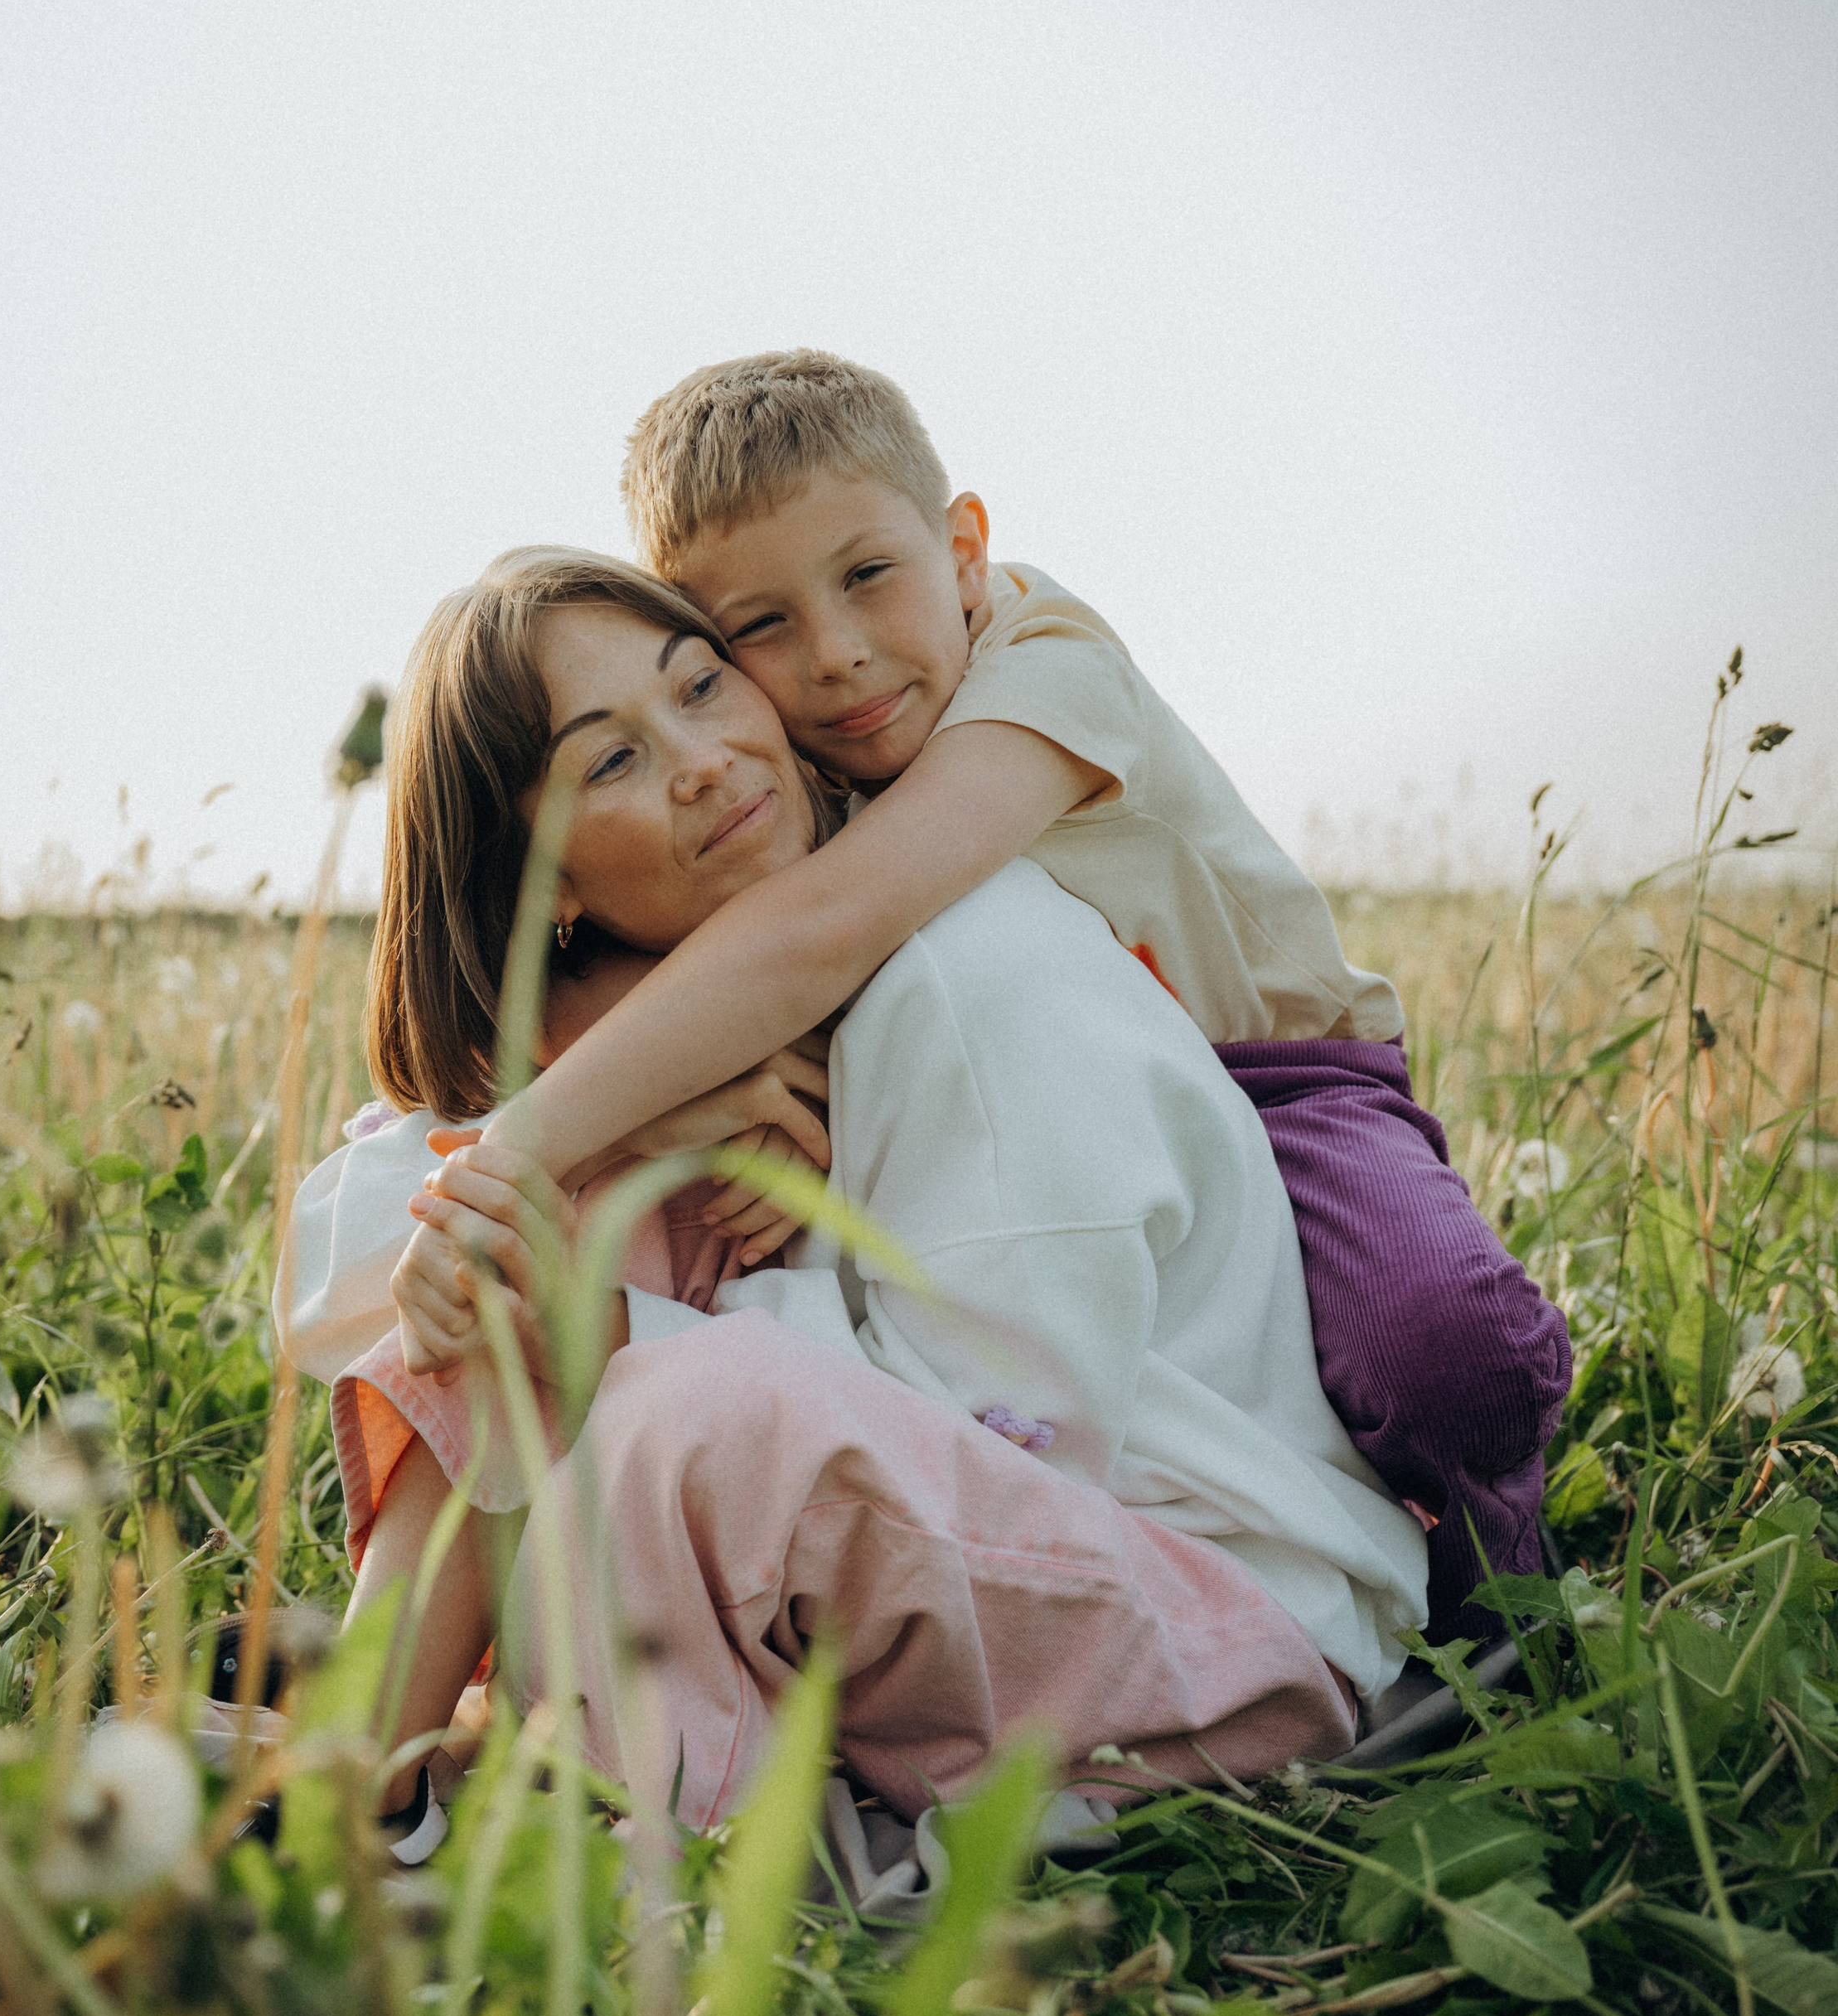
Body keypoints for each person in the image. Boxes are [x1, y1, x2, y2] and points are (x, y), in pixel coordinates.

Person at [278, 548, 1428, 1851]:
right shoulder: (687, 1045)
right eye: (611, 761)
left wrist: (606, 1338)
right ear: (551, 895)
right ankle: (365, 1780)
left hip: (1230, 1632)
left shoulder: (969, 979)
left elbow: (1024, 1427)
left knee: (677, 1408)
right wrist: (634, 1129)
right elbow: (337, 1265)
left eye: (703, 686)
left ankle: (658, 1852)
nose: (704, 759)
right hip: (1002, 1581)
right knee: (563, 1225)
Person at [416, 351, 1568, 1640]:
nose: (838, 659)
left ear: (964, 548)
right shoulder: (771, 745)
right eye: (760, 629)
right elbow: (624, 969)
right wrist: (706, 1091)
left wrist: (522, 1147)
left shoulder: (1043, 666)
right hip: (1050, 1131)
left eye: (867, 576)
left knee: (1435, 1347)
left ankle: (1502, 1593)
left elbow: (828, 927)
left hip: (1276, 1082)